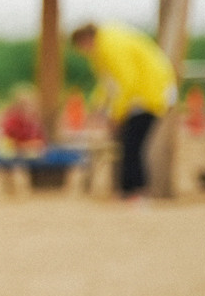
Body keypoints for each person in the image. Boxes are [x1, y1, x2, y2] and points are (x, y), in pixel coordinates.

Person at [70, 21, 176, 199]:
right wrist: (97, 107)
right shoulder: (105, 45)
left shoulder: (110, 46)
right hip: (145, 94)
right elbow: (108, 83)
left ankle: (137, 192)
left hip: (149, 95)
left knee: (132, 145)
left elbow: (127, 81)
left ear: (85, 39)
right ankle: (129, 192)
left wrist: (115, 115)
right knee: (128, 144)